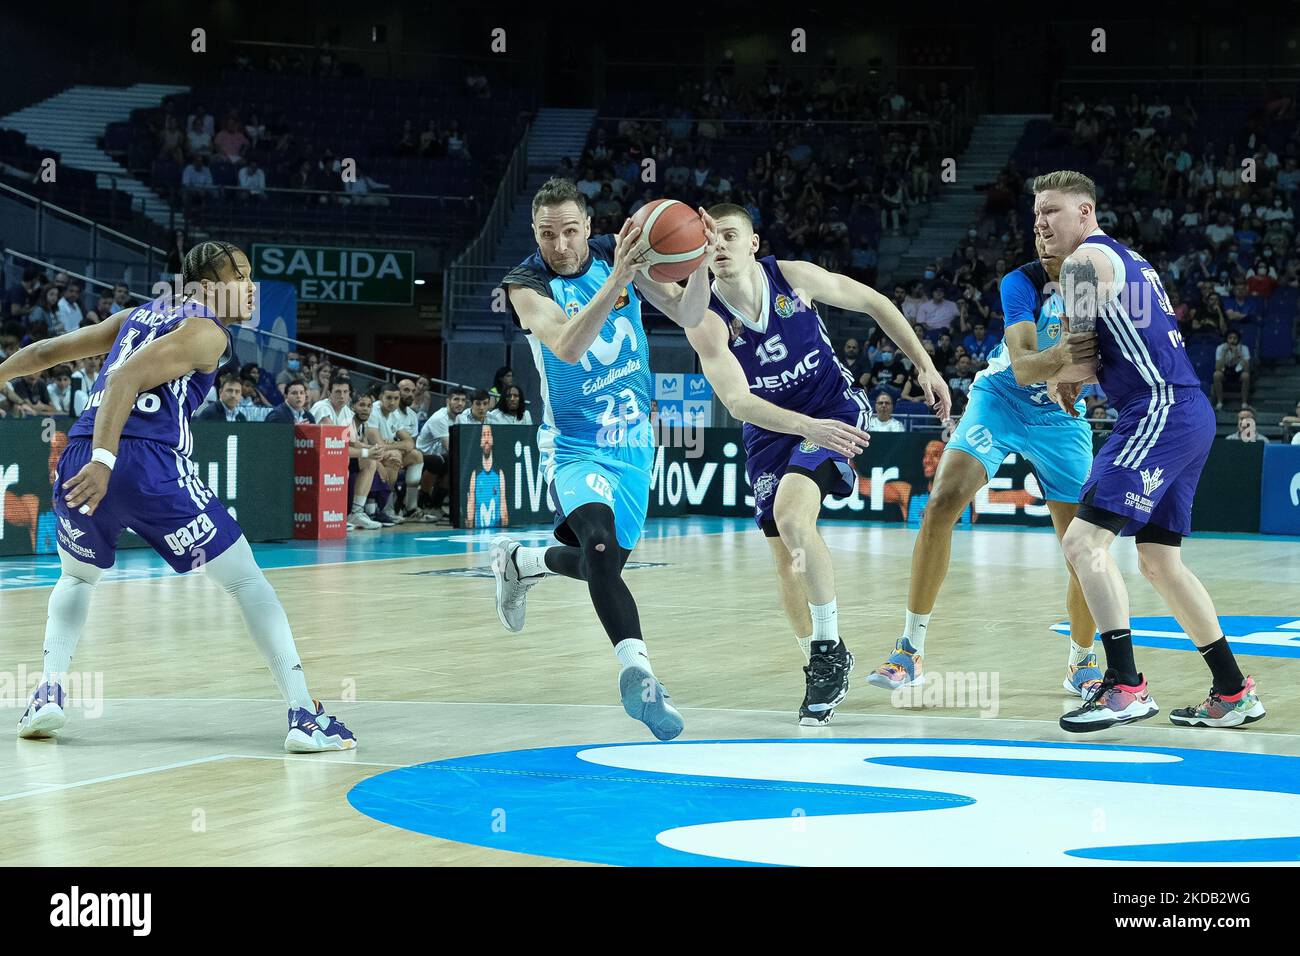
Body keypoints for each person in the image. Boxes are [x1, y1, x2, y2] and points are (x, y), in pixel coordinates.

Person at [0, 240, 355, 751]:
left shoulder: (137, 315)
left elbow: (43, 353)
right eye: (243, 276)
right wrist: (107, 461)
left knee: (77, 576)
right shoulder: (208, 332)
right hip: (137, 461)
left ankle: (48, 693)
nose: (252, 288)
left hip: (77, 451)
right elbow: (125, 377)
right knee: (246, 581)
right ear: (212, 282)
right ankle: (304, 715)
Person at [651, 203, 941, 724]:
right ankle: (819, 658)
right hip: (769, 430)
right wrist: (803, 428)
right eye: (709, 238)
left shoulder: (793, 277)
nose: (719, 244)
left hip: (833, 410)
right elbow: (739, 404)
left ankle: (829, 649)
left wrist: (924, 365)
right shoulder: (705, 322)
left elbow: (874, 302)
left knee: (792, 515)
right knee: (785, 557)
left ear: (753, 243)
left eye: (729, 235)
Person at [1038, 170, 1265, 731]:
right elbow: (1095, 352)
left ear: (1086, 213)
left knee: (1083, 541)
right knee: (1159, 560)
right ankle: (1233, 691)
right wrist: (1069, 370)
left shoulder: (1081, 264)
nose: (1042, 223)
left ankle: (1124, 685)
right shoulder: (1128, 258)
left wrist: (1041, 373)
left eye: (1054, 211)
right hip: (1186, 410)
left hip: (1157, 408)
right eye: (1037, 213)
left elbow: (1083, 358)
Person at [490, 177, 701, 740]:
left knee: (599, 566)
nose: (559, 245)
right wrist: (616, 280)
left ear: (588, 227)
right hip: (575, 445)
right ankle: (642, 676)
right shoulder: (525, 283)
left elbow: (687, 312)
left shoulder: (622, 253)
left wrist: (700, 258)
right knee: (601, 548)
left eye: (569, 231)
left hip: (634, 448)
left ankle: (522, 563)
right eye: (546, 233)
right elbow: (567, 346)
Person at [868, 234, 1101, 699]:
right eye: (1036, 228)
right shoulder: (1021, 281)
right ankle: (909, 650)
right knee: (940, 504)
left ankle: (1083, 661)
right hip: (1001, 399)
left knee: (1083, 547)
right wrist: (1072, 365)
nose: (1042, 236)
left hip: (1063, 419)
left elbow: (1110, 358)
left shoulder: (1100, 283)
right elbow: (1022, 367)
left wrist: (1084, 371)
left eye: (1050, 223)